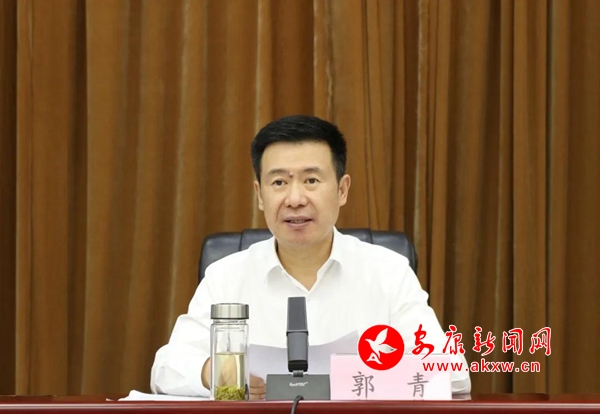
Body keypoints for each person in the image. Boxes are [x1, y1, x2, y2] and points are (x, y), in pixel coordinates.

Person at [150, 115, 471, 398]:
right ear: (260, 194)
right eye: (279, 182)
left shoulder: (388, 272)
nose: (295, 199)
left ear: (342, 190)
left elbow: (453, 374)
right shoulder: (226, 276)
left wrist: (357, 377)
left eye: (311, 180)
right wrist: (217, 373)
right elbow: (165, 370)